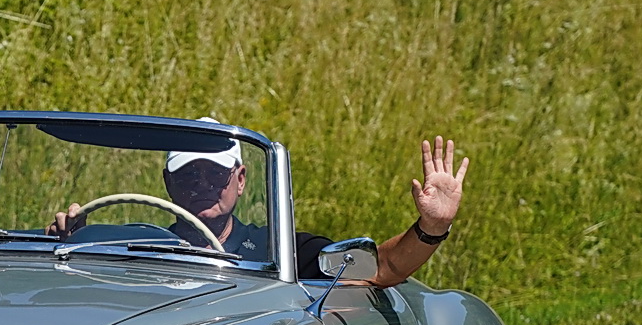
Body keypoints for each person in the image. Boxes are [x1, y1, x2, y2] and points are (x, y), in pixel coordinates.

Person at [49, 119, 468, 286]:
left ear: (241, 179)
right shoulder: (133, 245)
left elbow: (382, 268)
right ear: (167, 184)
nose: (202, 185)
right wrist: (66, 242)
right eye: (189, 175)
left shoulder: (276, 250)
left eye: (215, 173)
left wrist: (431, 227)